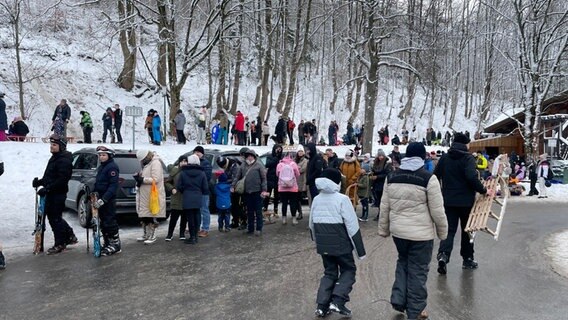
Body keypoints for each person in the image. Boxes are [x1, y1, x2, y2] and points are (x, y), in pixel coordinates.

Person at [379, 142, 448, 320]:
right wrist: (443, 233)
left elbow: (384, 206)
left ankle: (399, 299)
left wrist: (384, 229)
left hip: (399, 233)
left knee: (403, 262)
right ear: (422, 156)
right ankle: (416, 311)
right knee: (418, 270)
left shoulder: (392, 176)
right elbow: (437, 211)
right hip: (421, 235)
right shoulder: (428, 178)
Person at [309, 168, 366, 318]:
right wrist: (360, 251)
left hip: (324, 245)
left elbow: (311, 225)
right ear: (336, 182)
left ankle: (322, 306)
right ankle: (338, 300)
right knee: (348, 270)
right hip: (341, 244)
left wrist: (317, 241)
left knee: (329, 272)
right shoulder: (342, 199)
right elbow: (352, 226)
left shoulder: (316, 199)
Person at [434, 132, 489, 274]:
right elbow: (471, 176)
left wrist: (441, 192)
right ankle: (468, 259)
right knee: (468, 231)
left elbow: (435, 176)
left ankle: (443, 255)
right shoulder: (468, 158)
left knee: (449, 230)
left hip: (448, 201)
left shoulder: (444, 158)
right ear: (465, 144)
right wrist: (482, 189)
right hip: (466, 202)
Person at [32, 134, 78, 254]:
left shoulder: (64, 160)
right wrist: (40, 182)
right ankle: (69, 235)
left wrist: (47, 189)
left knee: (55, 219)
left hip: (58, 194)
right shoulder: (55, 157)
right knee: (55, 217)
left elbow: (62, 180)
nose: (51, 147)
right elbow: (50, 176)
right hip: (52, 192)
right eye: (51, 144)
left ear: (61, 146)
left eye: (54, 145)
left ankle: (60, 243)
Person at [231, 149, 269, 236]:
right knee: (249, 211)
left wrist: (264, 190)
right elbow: (237, 177)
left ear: (254, 157)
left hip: (257, 192)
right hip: (247, 192)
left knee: (258, 211)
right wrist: (233, 186)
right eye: (248, 156)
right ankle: (250, 228)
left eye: (251, 156)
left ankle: (259, 228)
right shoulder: (242, 165)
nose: (250, 157)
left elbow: (264, 179)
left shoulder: (259, 165)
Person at [93, 145, 121, 256]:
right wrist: (93, 194)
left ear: (110, 155)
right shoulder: (101, 167)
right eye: (100, 155)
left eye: (104, 155)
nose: (101, 157)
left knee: (110, 221)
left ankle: (115, 244)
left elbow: (113, 186)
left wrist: (104, 199)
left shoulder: (112, 167)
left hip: (108, 200)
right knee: (103, 222)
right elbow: (99, 183)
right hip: (100, 199)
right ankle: (107, 242)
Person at [133, 150, 166, 244]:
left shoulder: (155, 163)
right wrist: (139, 178)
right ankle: (146, 234)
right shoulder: (147, 164)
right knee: (145, 215)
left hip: (152, 194)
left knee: (152, 215)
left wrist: (143, 179)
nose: (141, 162)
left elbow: (156, 179)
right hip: (145, 194)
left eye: (142, 160)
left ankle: (152, 235)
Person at [177, 155, 209, 244]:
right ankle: (196, 236)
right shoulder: (202, 173)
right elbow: (205, 187)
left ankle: (192, 237)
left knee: (190, 217)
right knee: (197, 215)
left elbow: (179, 186)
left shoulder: (183, 173)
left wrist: (185, 190)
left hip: (187, 197)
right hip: (198, 196)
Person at [217, 155, 245, 229]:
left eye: (224, 167)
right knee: (233, 206)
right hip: (231, 188)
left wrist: (226, 182)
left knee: (238, 206)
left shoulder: (235, 166)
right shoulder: (228, 165)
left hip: (238, 188)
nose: (223, 169)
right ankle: (235, 221)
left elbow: (235, 178)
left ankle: (243, 221)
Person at [165, 156, 188, 241]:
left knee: (184, 218)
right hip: (176, 197)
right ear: (179, 162)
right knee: (174, 218)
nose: (184, 163)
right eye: (182, 161)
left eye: (185, 161)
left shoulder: (188, 171)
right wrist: (172, 188)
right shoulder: (175, 171)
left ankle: (182, 233)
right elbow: (167, 182)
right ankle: (169, 234)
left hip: (186, 198)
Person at [193, 146, 212, 238]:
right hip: (195, 191)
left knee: (204, 209)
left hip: (203, 190)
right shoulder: (192, 162)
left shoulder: (206, 163)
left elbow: (207, 177)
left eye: (199, 152)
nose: (197, 153)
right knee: (197, 210)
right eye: (195, 152)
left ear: (202, 154)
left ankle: (205, 229)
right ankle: (197, 227)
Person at [276, 151, 300, 225]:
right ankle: (293, 219)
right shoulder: (293, 164)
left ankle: (284, 219)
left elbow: (277, 174)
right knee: (293, 203)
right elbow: (298, 174)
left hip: (282, 188)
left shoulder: (280, 165)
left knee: (284, 203)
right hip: (293, 187)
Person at [370, 149, 392, 220]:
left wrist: (377, 177)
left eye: (382, 156)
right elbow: (373, 171)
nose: (380, 157)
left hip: (383, 183)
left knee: (383, 201)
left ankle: (382, 215)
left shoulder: (387, 163)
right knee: (378, 200)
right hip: (376, 184)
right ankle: (379, 214)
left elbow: (387, 174)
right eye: (379, 156)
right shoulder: (376, 162)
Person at [263, 144, 283, 217]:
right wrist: (276, 158)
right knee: (268, 193)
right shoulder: (270, 156)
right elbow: (268, 164)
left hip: (278, 178)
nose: (278, 150)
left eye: (279, 149)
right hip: (270, 178)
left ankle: (276, 209)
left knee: (276, 195)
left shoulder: (281, 158)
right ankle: (265, 207)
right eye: (277, 149)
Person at [294, 145, 308, 220]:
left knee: (299, 198)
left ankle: (300, 213)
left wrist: (296, 168)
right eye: (299, 151)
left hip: (302, 181)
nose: (300, 153)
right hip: (294, 182)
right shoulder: (294, 160)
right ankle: (298, 212)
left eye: (301, 151)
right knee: (296, 199)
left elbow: (302, 169)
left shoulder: (305, 160)